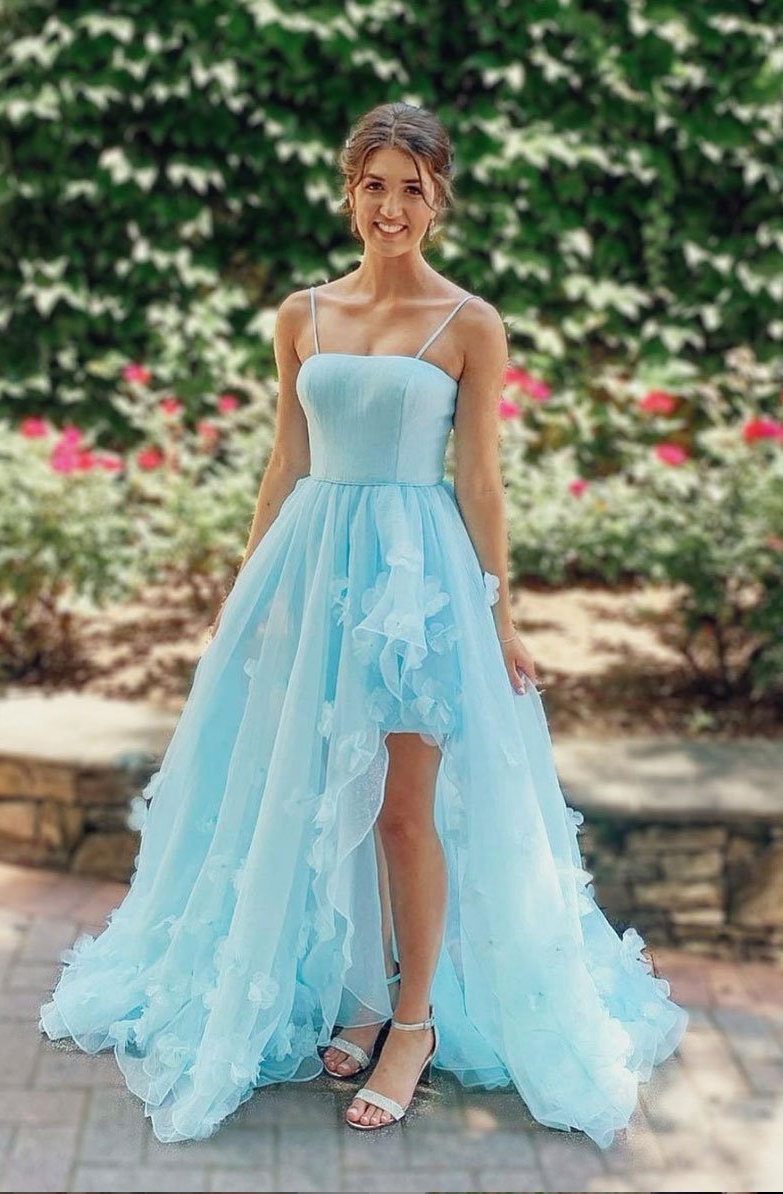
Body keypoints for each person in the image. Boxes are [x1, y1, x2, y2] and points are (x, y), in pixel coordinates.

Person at [38, 101, 688, 1146]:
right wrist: (248, 593)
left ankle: (413, 1023)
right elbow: (286, 460)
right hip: (313, 569)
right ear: (350, 193)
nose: (391, 207)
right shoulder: (302, 314)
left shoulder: (469, 323)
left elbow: (480, 480)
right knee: (322, 792)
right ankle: (361, 995)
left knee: (401, 811)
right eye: (373, 185)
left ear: (437, 199)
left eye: (410, 189)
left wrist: (500, 615)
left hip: (416, 585)